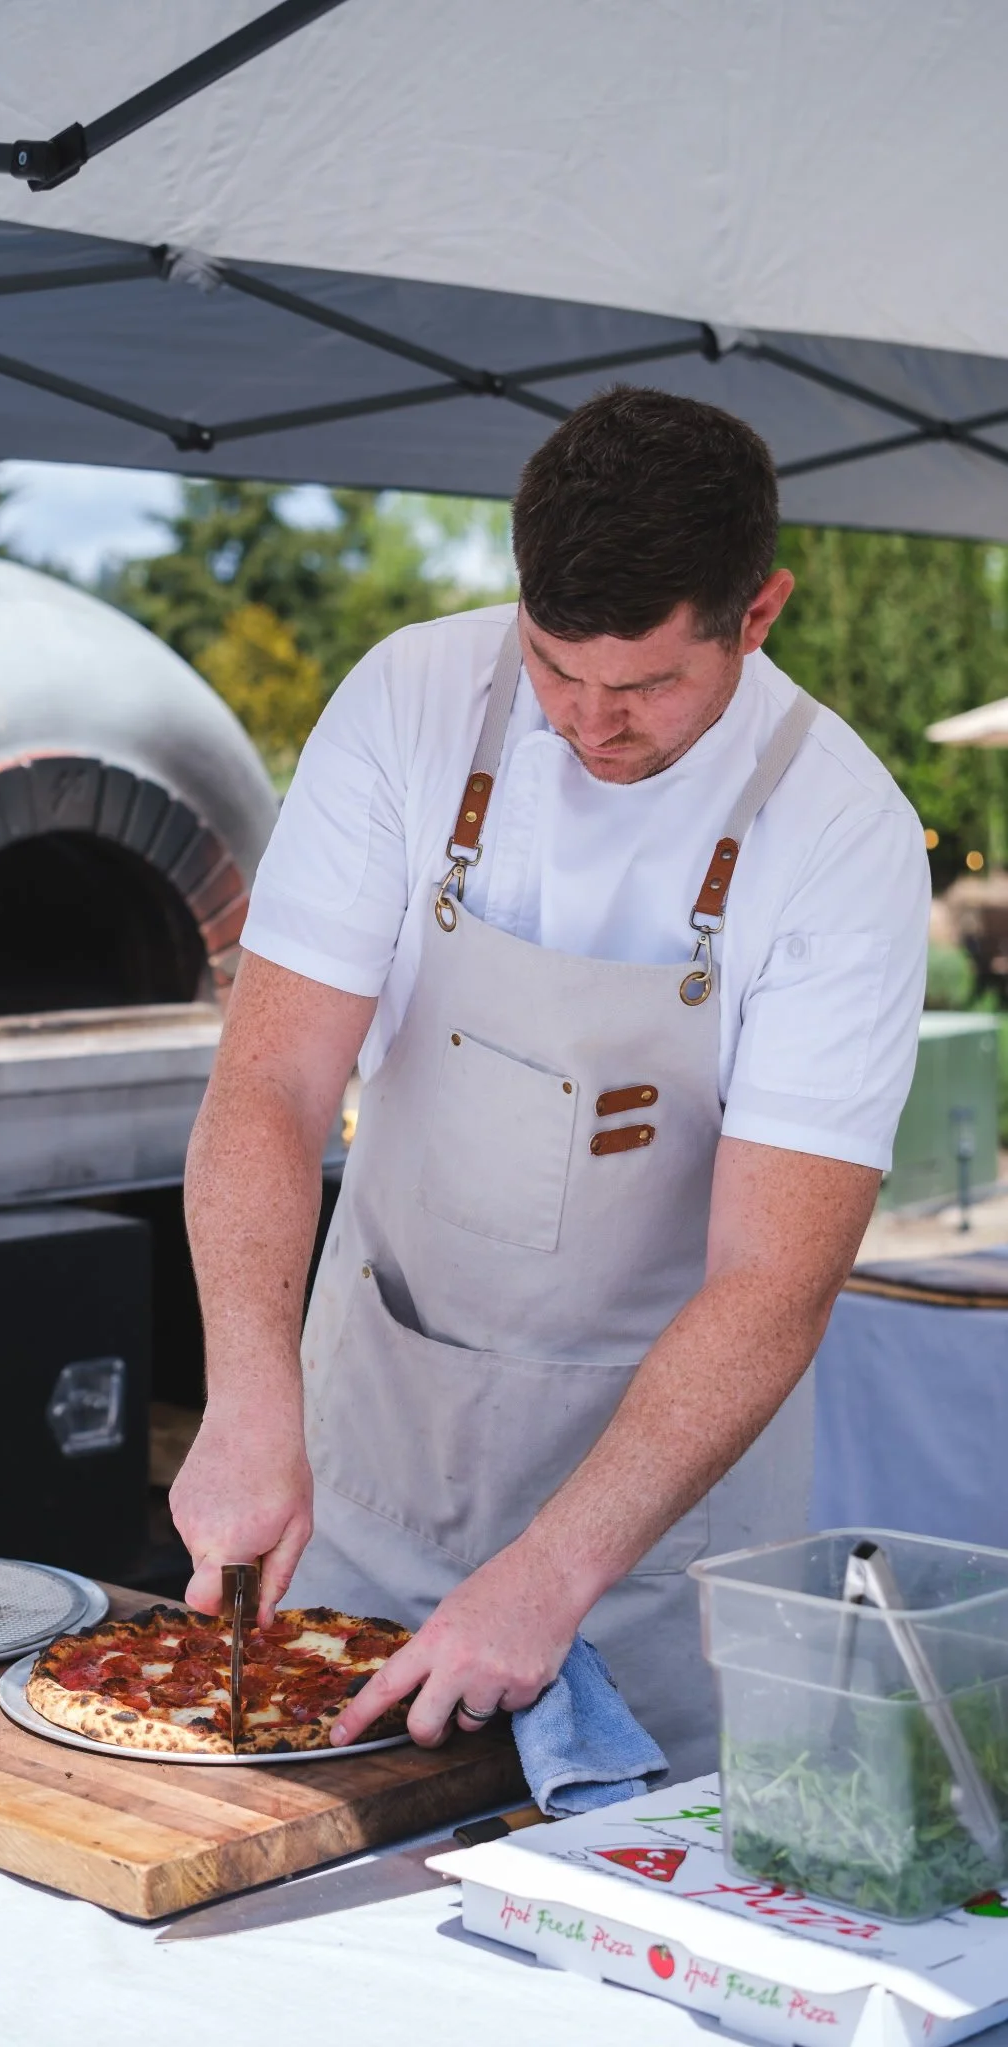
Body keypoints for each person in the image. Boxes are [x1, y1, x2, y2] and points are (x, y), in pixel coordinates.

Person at [170, 387, 929, 1775]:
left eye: (644, 686)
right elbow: (271, 1085)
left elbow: (777, 1279)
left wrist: (551, 1571)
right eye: (554, 668)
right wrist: (246, 1394)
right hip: (374, 1458)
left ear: (757, 616)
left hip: (651, 1533)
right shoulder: (408, 703)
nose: (590, 723)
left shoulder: (842, 834)